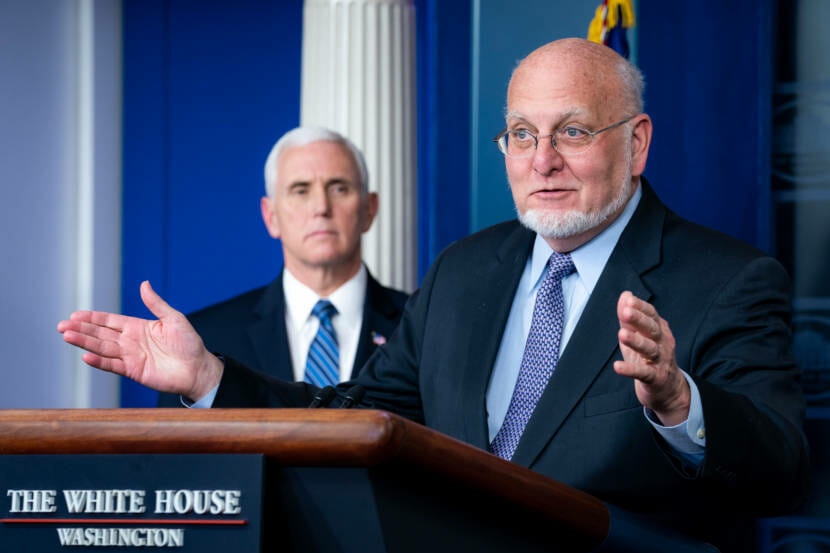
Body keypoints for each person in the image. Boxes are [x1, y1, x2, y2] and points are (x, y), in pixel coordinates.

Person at [59, 39, 808, 551]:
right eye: (520, 133)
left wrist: (681, 404)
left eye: (572, 131)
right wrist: (210, 379)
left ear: (636, 142)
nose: (541, 159)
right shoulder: (464, 271)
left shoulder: (728, 279)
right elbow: (360, 420)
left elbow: (782, 467)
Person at [158, 127, 408, 407]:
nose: (321, 207)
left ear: (369, 209)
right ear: (271, 216)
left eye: (339, 188)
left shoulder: (421, 328)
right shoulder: (203, 340)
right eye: (300, 190)